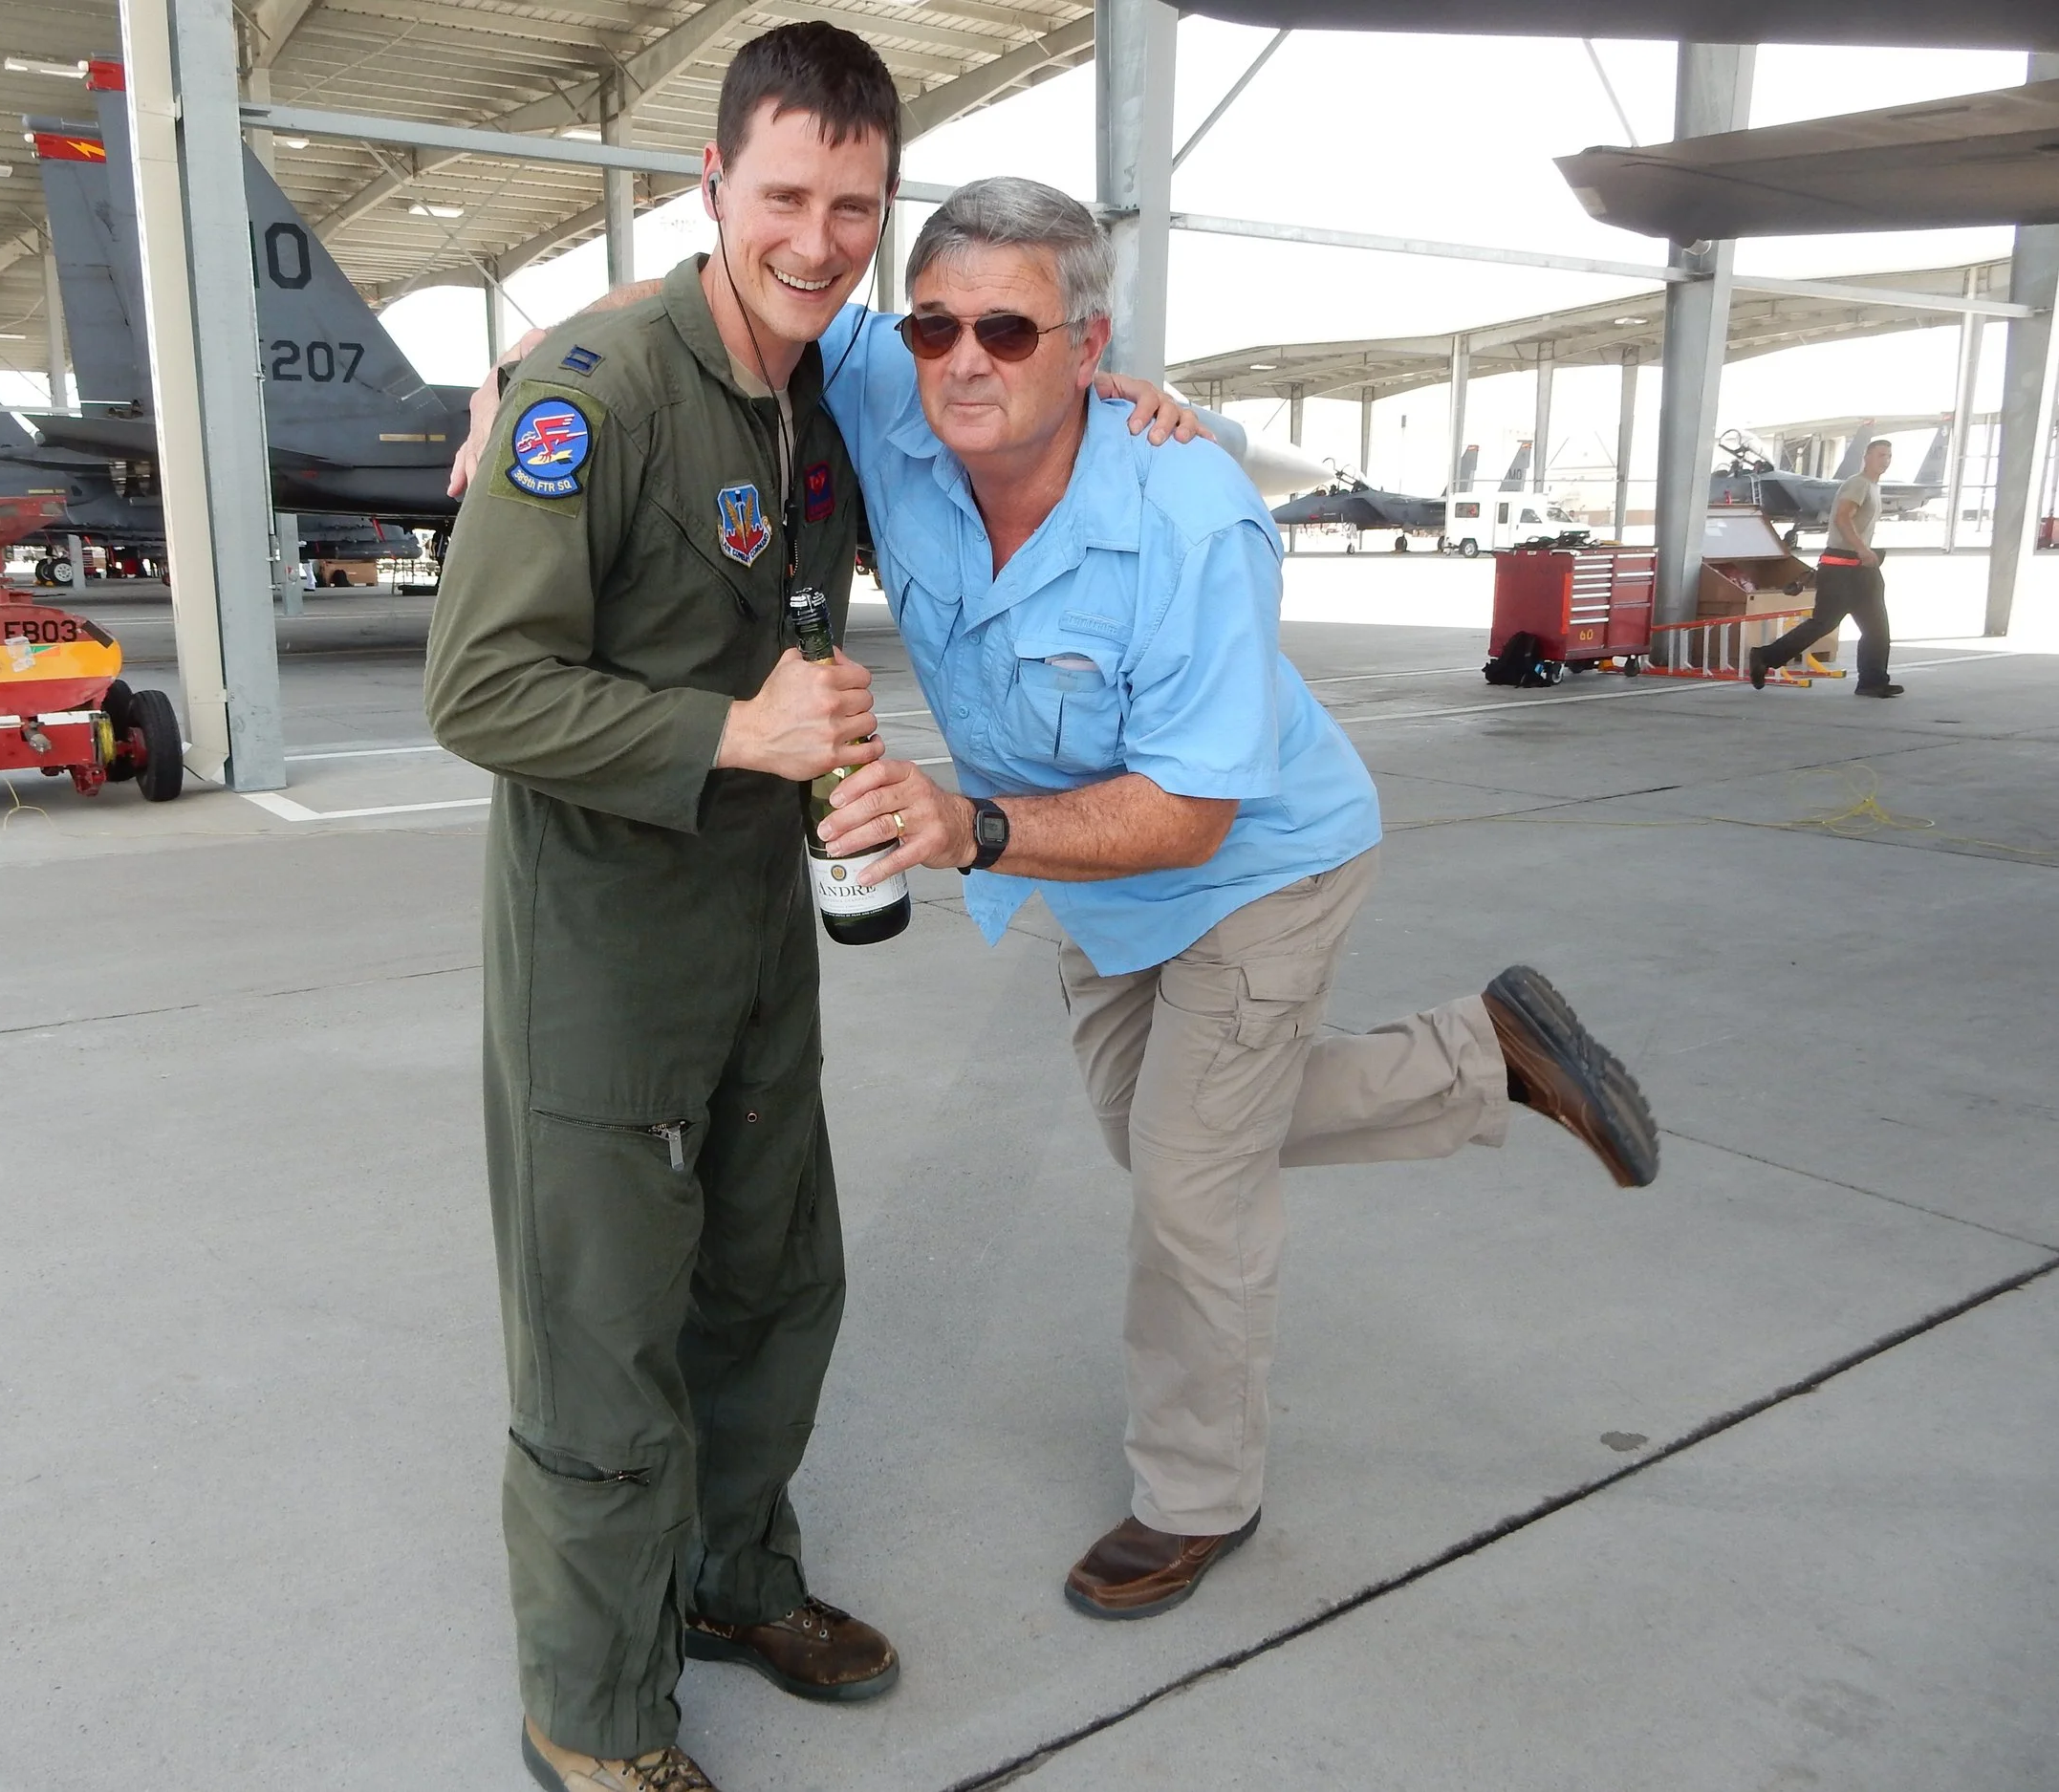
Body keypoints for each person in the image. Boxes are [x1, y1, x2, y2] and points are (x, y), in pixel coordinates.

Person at [424, 29, 1197, 1792]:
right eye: (786, 195)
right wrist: (735, 729)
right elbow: (475, 687)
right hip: (601, 962)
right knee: (606, 1338)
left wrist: (1138, 395)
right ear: (712, 185)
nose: (823, 237)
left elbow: (1000, 376)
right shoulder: (597, 396)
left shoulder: (825, 387)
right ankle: (596, 1718)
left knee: (775, 1286)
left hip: (763, 930)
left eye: (856, 204)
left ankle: (733, 1584)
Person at [805, 178, 1662, 1621]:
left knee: (1193, 1187)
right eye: (934, 321)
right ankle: (1485, 1054)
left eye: (1008, 330)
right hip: (1087, 875)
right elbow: (729, 297)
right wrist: (532, 378)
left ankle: (1198, 1493)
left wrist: (970, 824)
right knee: (1152, 1133)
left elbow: (1191, 806)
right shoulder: (902, 396)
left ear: (1089, 344)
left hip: (1254, 859)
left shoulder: (1193, 513)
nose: (961, 358)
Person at [1750, 437, 1900, 697]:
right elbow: (1843, 518)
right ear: (1866, 457)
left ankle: (1872, 681)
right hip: (1843, 566)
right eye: (1880, 455)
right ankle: (1765, 656)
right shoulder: (1858, 484)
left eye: (1888, 456)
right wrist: (1863, 549)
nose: (1885, 461)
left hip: (1861, 568)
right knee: (1823, 623)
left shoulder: (1873, 487)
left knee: (1876, 627)